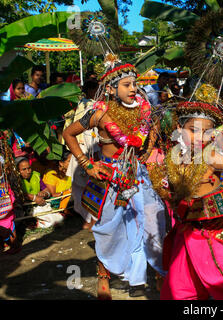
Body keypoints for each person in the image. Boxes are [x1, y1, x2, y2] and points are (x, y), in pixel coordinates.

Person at [63, 55, 166, 300]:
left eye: (134, 84)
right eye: (127, 85)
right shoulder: (99, 114)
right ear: (111, 88)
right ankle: (104, 275)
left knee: (152, 220)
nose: (133, 89)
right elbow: (68, 134)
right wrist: (87, 165)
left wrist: (149, 146)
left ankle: (157, 273)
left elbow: (154, 127)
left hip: (138, 174)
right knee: (109, 226)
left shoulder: (143, 107)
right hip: (109, 176)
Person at [153, 95, 223, 300]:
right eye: (193, 130)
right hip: (185, 235)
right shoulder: (174, 157)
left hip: (211, 236)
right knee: (178, 290)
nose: (200, 137)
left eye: (207, 132)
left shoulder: (211, 157)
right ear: (178, 127)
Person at [63, 79, 100, 230]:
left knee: (87, 187)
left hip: (89, 149)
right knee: (82, 188)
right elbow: (73, 131)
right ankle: (90, 218)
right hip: (84, 149)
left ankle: (92, 219)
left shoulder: (90, 105)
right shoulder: (88, 106)